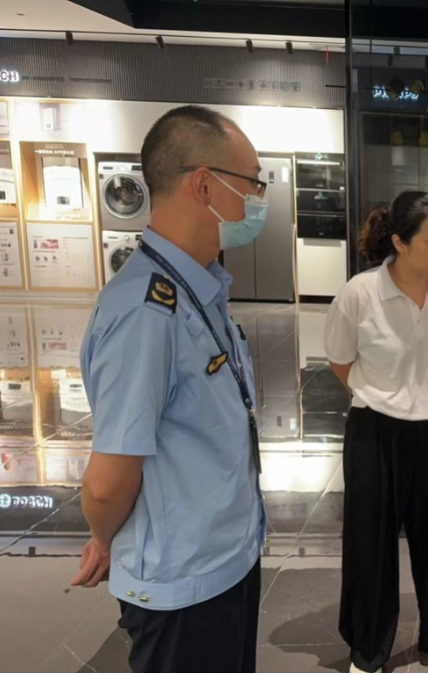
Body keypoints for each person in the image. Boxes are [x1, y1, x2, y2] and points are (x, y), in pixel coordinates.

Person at [74, 105, 268, 673]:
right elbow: (107, 483)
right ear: (205, 185)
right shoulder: (144, 311)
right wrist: (106, 538)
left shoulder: (197, 288)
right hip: (183, 587)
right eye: (252, 183)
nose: (257, 200)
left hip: (225, 561)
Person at [324, 191, 428, 674]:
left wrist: (423, 393)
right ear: (399, 242)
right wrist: (383, 396)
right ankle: (368, 647)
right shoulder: (360, 293)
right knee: (370, 542)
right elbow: (340, 360)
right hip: (375, 430)